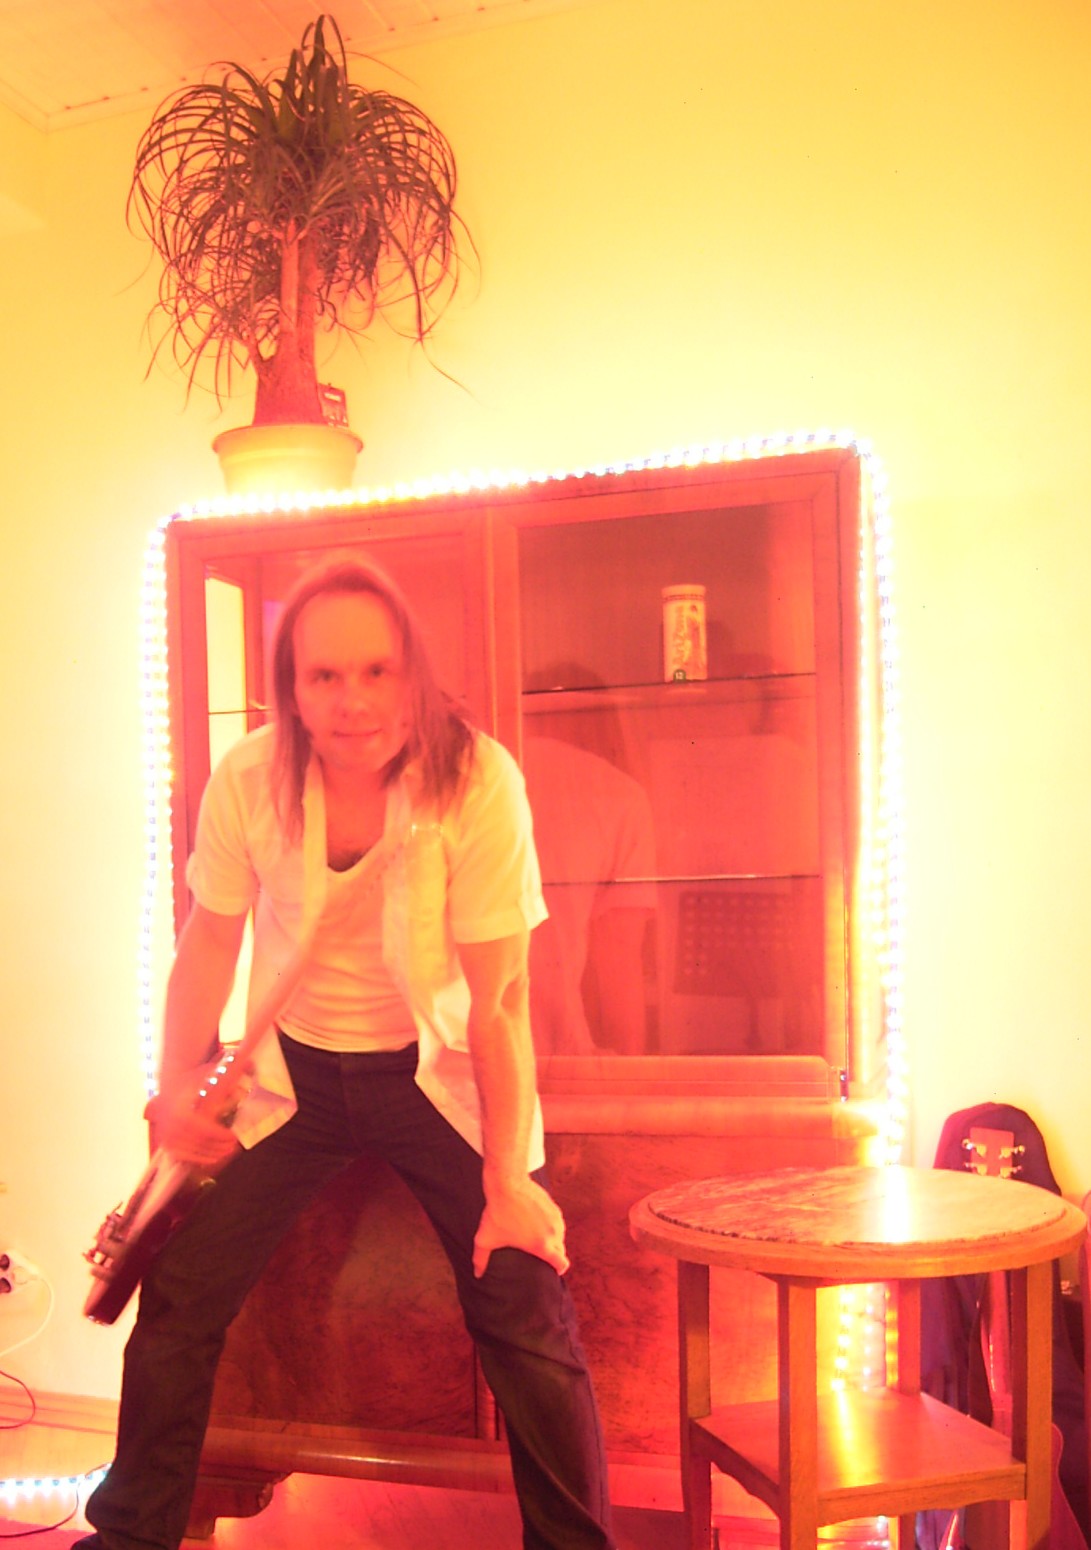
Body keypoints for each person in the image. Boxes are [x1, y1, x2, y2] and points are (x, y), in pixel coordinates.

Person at [78, 555, 615, 1550]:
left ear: (414, 673)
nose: (352, 700)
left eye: (376, 670)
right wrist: (172, 1089)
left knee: (524, 1301)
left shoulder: (478, 778)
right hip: (291, 1072)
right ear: (289, 687)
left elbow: (499, 998)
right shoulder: (249, 776)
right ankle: (129, 1536)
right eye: (324, 675)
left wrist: (506, 1179)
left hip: (437, 1073)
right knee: (179, 1287)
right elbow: (209, 940)